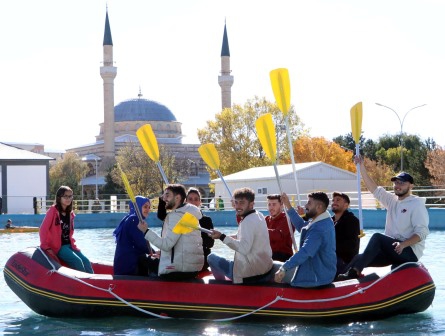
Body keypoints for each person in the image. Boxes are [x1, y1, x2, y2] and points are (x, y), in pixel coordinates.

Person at [337, 157, 429, 280]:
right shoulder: (392, 200)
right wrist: (361, 167)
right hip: (393, 250)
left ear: (411, 185)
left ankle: (355, 272)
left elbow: (422, 233)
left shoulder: (416, 204)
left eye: (402, 183)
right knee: (359, 258)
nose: (397, 185)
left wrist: (403, 245)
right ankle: (339, 280)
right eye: (396, 183)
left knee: (377, 237)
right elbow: (374, 189)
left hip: (408, 252)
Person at [137, 184, 204, 280]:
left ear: (177, 198)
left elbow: (166, 245)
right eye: (163, 195)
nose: (164, 198)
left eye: (167, 195)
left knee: (142, 259)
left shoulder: (176, 216)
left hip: (177, 269)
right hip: (192, 269)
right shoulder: (189, 213)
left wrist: (146, 231)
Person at [207, 187, 273, 284]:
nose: (237, 206)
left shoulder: (247, 221)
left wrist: (222, 237)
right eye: (236, 202)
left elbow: (244, 248)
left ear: (251, 204)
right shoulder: (259, 215)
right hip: (265, 271)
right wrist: (223, 236)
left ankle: (222, 287)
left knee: (211, 257)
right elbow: (243, 236)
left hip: (250, 276)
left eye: (242, 203)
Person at [275, 192, 336, 288]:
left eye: (309, 203)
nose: (306, 206)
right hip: (322, 273)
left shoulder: (319, 228)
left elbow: (306, 251)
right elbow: (302, 226)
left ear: (319, 207)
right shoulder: (321, 221)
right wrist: (288, 205)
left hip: (316, 278)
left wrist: (284, 268)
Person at [39, 186, 94, 273]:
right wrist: (46, 247)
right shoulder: (53, 211)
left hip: (69, 245)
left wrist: (73, 246)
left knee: (86, 261)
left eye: (70, 196)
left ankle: (93, 282)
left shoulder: (70, 213)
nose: (68, 199)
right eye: (65, 196)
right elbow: (43, 229)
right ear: (59, 197)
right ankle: (82, 284)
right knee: (77, 261)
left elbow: (70, 233)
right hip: (58, 247)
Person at [113, 196, 158, 276]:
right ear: (137, 207)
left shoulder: (129, 218)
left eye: (149, 207)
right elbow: (140, 243)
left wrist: (153, 252)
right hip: (130, 266)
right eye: (145, 207)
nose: (147, 210)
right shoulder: (134, 220)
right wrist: (154, 253)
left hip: (124, 264)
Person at [331, 191, 360, 276]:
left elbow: (350, 246)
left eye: (338, 200)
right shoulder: (329, 221)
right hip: (330, 258)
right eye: (333, 200)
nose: (334, 202)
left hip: (343, 262)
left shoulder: (352, 221)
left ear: (346, 205)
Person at [185, 187, 215, 271]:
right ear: (185, 201)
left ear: (200, 202)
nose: (193, 202)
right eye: (190, 199)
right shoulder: (180, 219)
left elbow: (210, 244)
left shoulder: (206, 220)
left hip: (202, 259)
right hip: (185, 258)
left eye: (196, 199)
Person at [265, 194, 294, 262]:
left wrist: (260, 230)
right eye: (269, 204)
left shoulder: (287, 219)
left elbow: (278, 235)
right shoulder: (266, 219)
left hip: (283, 255)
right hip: (269, 254)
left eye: (274, 204)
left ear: (281, 205)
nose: (271, 207)